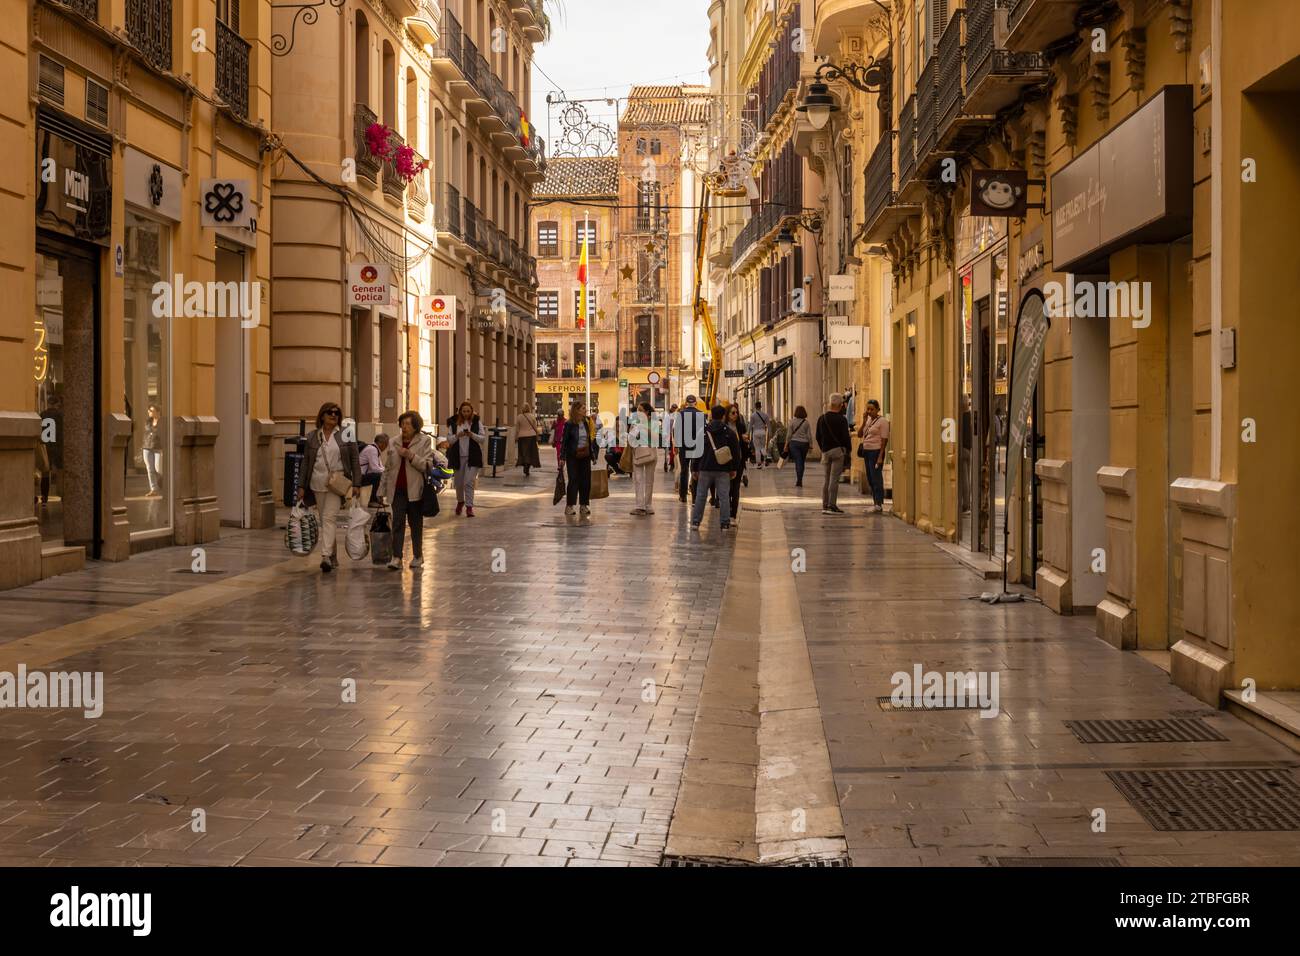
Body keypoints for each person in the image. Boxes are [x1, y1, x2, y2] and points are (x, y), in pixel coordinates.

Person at [298, 401, 361, 573]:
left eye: (336, 413)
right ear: (322, 416)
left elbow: (355, 459)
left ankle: (325, 556)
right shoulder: (312, 436)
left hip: (337, 482)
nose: (333, 415)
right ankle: (332, 556)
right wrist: (301, 486)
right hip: (317, 482)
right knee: (325, 519)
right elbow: (306, 463)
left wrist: (357, 483)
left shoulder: (346, 433)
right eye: (329, 412)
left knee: (329, 518)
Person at [380, 414, 433, 570]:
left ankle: (418, 555)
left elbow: (427, 465)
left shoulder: (424, 441)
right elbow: (388, 467)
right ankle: (396, 557)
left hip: (415, 489)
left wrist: (411, 456)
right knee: (397, 522)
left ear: (416, 426)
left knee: (415, 523)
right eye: (402, 423)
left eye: (408, 424)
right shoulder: (393, 441)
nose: (404, 427)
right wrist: (381, 489)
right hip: (397, 489)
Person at [690, 404, 740, 531]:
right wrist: (734, 468)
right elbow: (735, 452)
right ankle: (724, 523)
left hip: (705, 468)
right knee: (724, 497)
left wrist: (694, 468)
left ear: (711, 415)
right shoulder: (729, 433)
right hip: (723, 470)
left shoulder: (703, 431)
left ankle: (695, 522)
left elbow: (696, 451)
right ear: (723, 416)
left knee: (701, 496)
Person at [445, 400, 487, 517]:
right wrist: (458, 435)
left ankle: (469, 507)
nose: (466, 413)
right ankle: (460, 502)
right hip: (457, 457)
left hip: (472, 457)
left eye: (468, 411)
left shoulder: (476, 422)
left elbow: (482, 439)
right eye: (464, 411)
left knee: (468, 482)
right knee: (458, 483)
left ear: (471, 411)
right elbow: (449, 440)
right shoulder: (453, 423)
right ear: (460, 412)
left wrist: (471, 435)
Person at [815, 393, 852, 515]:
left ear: (830, 404)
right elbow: (845, 437)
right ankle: (832, 505)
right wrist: (848, 449)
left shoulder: (822, 418)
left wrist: (823, 448)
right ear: (840, 405)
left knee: (826, 479)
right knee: (834, 479)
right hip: (837, 451)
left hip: (826, 452)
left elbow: (818, 436)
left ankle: (824, 505)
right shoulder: (842, 419)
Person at [560, 400, 596, 516]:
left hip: (585, 456)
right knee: (573, 480)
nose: (585, 410)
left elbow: (589, 440)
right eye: (583, 408)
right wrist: (562, 457)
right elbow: (564, 442)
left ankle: (583, 505)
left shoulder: (586, 422)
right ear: (576, 410)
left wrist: (593, 455)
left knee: (586, 481)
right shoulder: (569, 424)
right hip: (573, 456)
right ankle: (569, 506)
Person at [858, 399, 890, 513]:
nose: (870, 411)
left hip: (876, 452)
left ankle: (879, 504)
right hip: (867, 452)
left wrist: (880, 456)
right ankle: (875, 503)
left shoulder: (883, 422)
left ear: (878, 409)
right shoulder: (868, 421)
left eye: (872, 409)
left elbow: (884, 440)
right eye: (868, 409)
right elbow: (859, 434)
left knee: (876, 478)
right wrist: (864, 421)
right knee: (870, 478)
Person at [672, 395, 706, 503]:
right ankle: (695, 497)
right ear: (695, 403)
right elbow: (704, 431)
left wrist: (676, 445)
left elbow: (676, 430)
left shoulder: (680, 414)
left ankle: (683, 496)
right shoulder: (701, 414)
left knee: (684, 470)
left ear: (686, 403)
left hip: (683, 446)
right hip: (697, 446)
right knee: (695, 470)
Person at [630, 401, 657, 516]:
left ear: (647, 412)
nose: (638, 412)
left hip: (650, 452)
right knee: (638, 480)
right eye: (638, 410)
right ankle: (640, 506)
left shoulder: (653, 422)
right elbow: (630, 438)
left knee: (649, 480)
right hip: (638, 452)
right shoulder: (635, 422)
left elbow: (656, 438)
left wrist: (644, 427)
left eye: (640, 410)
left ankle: (648, 505)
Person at [725, 404, 749, 520]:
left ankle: (733, 513)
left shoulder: (740, 426)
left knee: (735, 487)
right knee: (727, 487)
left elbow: (744, 442)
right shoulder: (724, 427)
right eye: (732, 413)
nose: (735, 415)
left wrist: (745, 440)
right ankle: (728, 507)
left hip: (739, 459)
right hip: (726, 461)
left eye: (736, 413)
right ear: (727, 415)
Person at [784, 405, 813, 487]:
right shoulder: (806, 422)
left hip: (794, 444)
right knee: (802, 461)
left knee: (798, 461)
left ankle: (799, 479)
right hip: (804, 444)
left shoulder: (792, 422)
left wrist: (786, 445)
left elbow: (789, 435)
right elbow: (809, 435)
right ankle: (800, 479)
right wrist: (811, 445)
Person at [359, 433, 388, 506]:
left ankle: (379, 499)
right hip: (359, 477)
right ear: (381, 443)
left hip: (364, 475)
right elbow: (375, 468)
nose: (386, 447)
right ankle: (373, 500)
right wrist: (386, 472)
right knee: (379, 476)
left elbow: (380, 466)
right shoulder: (372, 450)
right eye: (386, 444)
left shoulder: (375, 449)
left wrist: (387, 472)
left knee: (383, 475)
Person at [514, 404, 541, 477]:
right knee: (531, 453)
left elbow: (517, 429)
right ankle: (527, 466)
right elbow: (535, 427)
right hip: (531, 436)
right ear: (529, 408)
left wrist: (516, 437)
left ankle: (525, 464)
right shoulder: (532, 416)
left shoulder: (519, 417)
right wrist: (537, 435)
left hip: (522, 437)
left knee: (523, 452)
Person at [142, 404, 163, 497]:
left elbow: (161, 433)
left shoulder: (163, 422)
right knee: (150, 469)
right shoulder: (148, 421)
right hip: (147, 447)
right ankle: (153, 489)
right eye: (149, 410)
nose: (149, 412)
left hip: (158, 448)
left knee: (159, 469)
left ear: (157, 412)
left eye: (151, 410)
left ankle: (164, 484)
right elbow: (149, 432)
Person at [749, 401, 771, 468]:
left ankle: (759, 464)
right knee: (762, 447)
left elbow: (750, 425)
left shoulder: (753, 415)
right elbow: (768, 425)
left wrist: (747, 433)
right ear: (760, 406)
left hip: (756, 432)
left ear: (755, 407)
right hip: (763, 432)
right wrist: (770, 433)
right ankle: (766, 457)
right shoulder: (765, 415)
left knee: (757, 448)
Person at [664, 404, 678, 472]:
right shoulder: (667, 415)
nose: (674, 409)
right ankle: (667, 464)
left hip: (674, 435)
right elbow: (665, 425)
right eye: (673, 408)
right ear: (671, 408)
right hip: (668, 435)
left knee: (672, 452)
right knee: (668, 451)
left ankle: (672, 464)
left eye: (675, 408)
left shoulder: (677, 415)